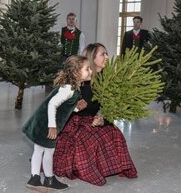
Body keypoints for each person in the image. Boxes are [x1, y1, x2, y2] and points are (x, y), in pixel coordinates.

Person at [53, 43, 137, 186]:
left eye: (106, 53)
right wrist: (77, 105)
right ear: (92, 58)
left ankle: (104, 167)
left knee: (114, 134)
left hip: (95, 119)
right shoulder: (81, 80)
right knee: (90, 137)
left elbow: (109, 107)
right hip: (75, 122)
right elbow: (63, 107)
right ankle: (86, 167)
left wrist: (102, 118)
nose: (106, 57)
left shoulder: (107, 80)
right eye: (102, 54)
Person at [22, 55, 92, 192]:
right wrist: (52, 126)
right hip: (46, 123)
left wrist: (77, 108)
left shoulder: (74, 88)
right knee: (48, 151)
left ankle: (35, 178)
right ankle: (49, 179)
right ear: (76, 72)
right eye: (87, 69)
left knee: (39, 149)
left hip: (42, 121)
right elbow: (53, 104)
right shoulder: (69, 89)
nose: (90, 71)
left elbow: (65, 108)